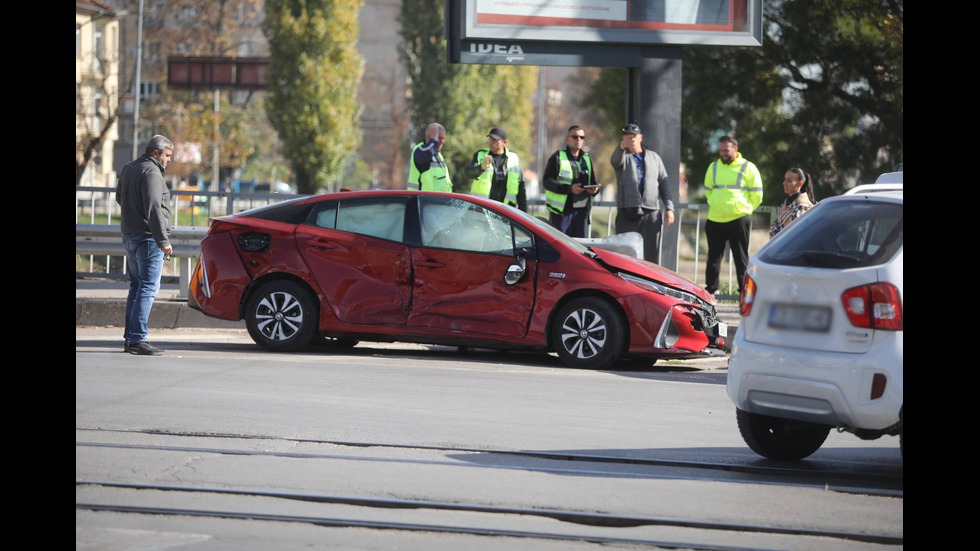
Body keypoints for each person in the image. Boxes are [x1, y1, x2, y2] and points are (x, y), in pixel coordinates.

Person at [116, 134, 174, 356]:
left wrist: (134, 213)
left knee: (137, 286)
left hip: (130, 234)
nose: (168, 160)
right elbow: (154, 209)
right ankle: (138, 339)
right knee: (148, 287)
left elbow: (120, 197)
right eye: (167, 155)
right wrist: (163, 241)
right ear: (155, 153)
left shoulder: (130, 167)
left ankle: (131, 339)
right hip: (148, 238)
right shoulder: (151, 172)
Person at [703, 135, 763, 295]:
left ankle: (744, 291)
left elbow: (757, 194)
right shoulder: (713, 167)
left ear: (735, 149)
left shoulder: (748, 167)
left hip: (738, 218)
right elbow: (708, 191)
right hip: (715, 218)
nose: (723, 153)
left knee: (741, 257)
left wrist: (746, 209)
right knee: (713, 258)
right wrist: (716, 204)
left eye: (726, 150)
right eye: (721, 150)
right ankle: (711, 290)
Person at [610, 123, 675, 263]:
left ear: (641, 137)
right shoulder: (622, 156)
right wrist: (621, 147)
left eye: (633, 136)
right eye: (627, 136)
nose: (631, 139)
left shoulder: (654, 157)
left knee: (651, 254)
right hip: (627, 211)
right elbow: (614, 161)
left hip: (651, 211)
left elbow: (664, 183)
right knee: (624, 253)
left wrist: (669, 208)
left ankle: (650, 283)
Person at [542, 125, 601, 237]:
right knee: (560, 246)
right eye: (575, 136)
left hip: (581, 211)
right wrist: (570, 189)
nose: (579, 140)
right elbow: (547, 182)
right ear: (567, 139)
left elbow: (592, 181)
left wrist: (595, 190)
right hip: (561, 213)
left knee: (578, 248)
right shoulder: (558, 157)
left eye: (582, 137)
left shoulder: (586, 159)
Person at [465, 127, 527, 211]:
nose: (491, 142)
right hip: (482, 208)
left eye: (495, 140)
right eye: (490, 139)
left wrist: (523, 211)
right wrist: (480, 167)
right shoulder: (480, 155)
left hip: (507, 211)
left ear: (505, 142)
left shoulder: (514, 159)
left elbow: (521, 187)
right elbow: (468, 173)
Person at [769, 167, 816, 238]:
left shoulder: (802, 207)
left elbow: (798, 235)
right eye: (785, 179)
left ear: (800, 183)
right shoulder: (786, 204)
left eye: (789, 181)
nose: (784, 183)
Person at [407, 122, 452, 192]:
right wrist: (434, 140)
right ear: (428, 137)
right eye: (439, 138)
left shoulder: (439, 155)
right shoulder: (420, 150)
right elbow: (427, 154)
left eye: (443, 138)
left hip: (438, 202)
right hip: (420, 201)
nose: (442, 141)